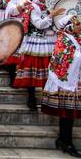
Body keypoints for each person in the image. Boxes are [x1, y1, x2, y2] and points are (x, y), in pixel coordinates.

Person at [14, 0, 65, 110]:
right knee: (33, 70)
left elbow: (49, 24)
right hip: (35, 43)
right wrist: (52, 15)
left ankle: (46, 99)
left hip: (46, 42)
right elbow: (39, 24)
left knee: (47, 71)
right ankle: (31, 98)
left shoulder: (44, 7)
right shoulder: (32, 7)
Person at [41, 15, 81, 158]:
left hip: (74, 82)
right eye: (77, 24)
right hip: (64, 83)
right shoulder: (64, 40)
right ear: (70, 25)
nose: (79, 27)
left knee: (69, 115)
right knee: (66, 114)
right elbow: (64, 58)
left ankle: (64, 140)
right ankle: (66, 141)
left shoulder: (76, 39)